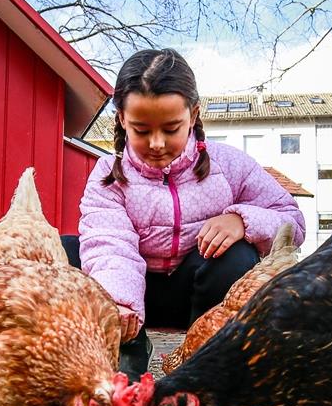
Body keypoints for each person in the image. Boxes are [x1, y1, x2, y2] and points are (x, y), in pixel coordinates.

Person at [63, 48, 306, 380]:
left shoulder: (229, 165)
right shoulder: (109, 173)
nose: (158, 143)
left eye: (171, 128)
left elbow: (291, 219)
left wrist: (241, 220)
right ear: (121, 118)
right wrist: (120, 306)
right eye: (142, 130)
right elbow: (110, 243)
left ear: (193, 115)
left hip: (198, 297)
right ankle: (128, 348)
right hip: (131, 296)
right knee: (67, 251)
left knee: (237, 254)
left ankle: (205, 354)